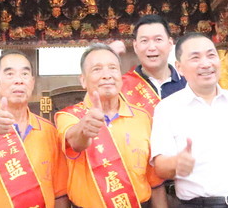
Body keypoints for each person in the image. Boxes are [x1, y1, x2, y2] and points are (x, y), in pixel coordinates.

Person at [152, 33, 228, 207]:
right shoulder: (167, 108)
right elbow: (160, 167)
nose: (206, 64)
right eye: (195, 58)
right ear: (179, 67)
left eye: (211, 55)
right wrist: (176, 163)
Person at [55, 44, 165, 208]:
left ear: (121, 77)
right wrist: (84, 130)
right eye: (97, 69)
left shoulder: (143, 117)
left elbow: (154, 181)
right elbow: (75, 142)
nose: (107, 75)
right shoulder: (68, 116)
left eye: (113, 68)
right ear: (83, 80)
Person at [0, 51, 68, 208]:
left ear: (32, 82)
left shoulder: (49, 130)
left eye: (24, 74)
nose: (19, 80)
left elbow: (59, 193)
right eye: (10, 74)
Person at [116, 15, 185, 114]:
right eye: (144, 41)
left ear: (170, 44)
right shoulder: (121, 87)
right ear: (135, 46)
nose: (152, 47)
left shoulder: (188, 84)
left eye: (158, 39)